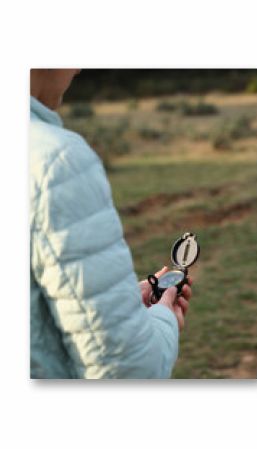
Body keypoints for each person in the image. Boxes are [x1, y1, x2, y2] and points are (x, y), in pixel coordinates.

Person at [30, 69, 193, 379]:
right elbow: (125, 371)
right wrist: (162, 319)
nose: (78, 68)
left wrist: (116, 306)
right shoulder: (56, 161)